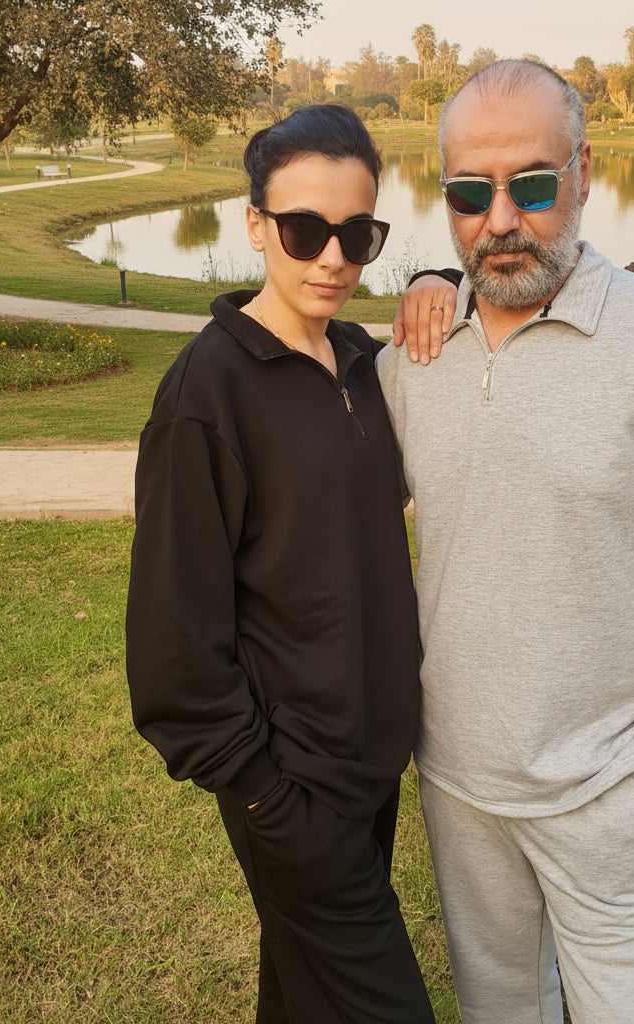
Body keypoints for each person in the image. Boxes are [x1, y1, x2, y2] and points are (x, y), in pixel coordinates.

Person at [377, 60, 634, 1024]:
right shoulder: (410, 358)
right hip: (461, 790)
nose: (501, 219)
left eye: (534, 184)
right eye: (471, 193)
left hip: (613, 792)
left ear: (586, 172)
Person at [126, 104, 436, 1024]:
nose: (332, 258)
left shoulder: (357, 360)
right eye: (305, 230)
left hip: (373, 761)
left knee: (303, 994)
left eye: (359, 233)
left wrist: (439, 275)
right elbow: (171, 642)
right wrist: (263, 794)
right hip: (293, 784)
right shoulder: (206, 393)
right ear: (256, 223)